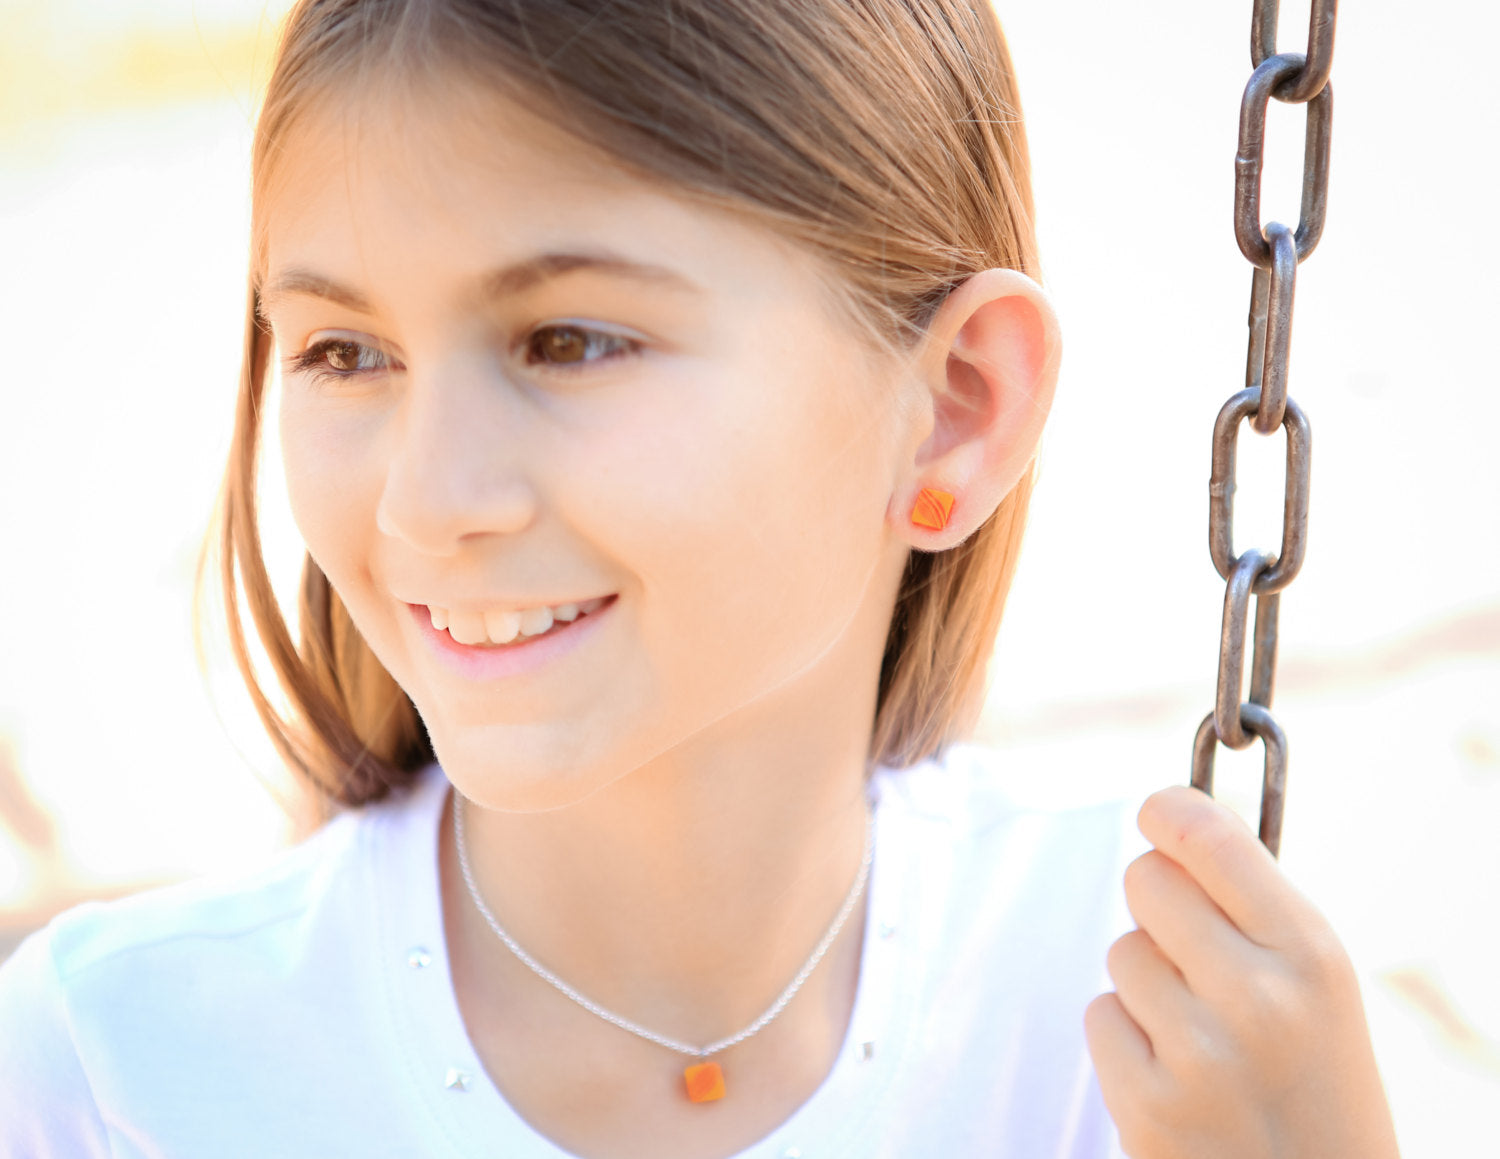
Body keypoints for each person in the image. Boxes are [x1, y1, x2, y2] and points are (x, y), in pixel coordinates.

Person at [0, 1, 1401, 1155]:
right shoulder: (127, 1074)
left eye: (569, 342)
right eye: (342, 353)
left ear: (957, 404)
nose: (428, 502)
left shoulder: (1147, 1009)